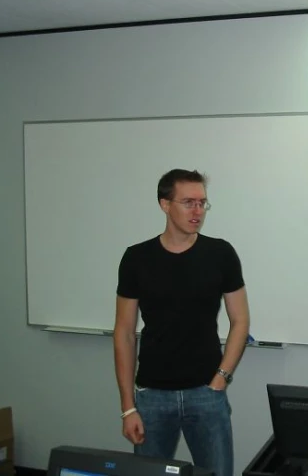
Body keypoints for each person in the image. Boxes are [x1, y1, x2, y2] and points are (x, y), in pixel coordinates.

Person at [113, 169, 250, 476]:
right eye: (188, 202)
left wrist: (221, 378)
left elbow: (240, 321)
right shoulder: (137, 258)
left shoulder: (220, 254)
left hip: (206, 393)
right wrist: (128, 406)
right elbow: (123, 333)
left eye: (202, 203)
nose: (197, 211)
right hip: (151, 395)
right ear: (165, 204)